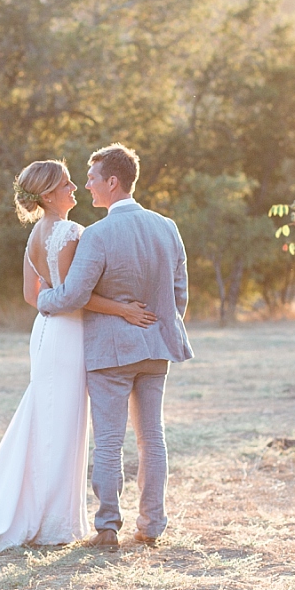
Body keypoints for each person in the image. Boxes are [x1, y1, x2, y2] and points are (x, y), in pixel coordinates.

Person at [0, 160, 156, 559]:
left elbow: (31, 296)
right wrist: (124, 310)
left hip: (45, 331)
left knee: (47, 417)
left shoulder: (35, 234)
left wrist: (52, 307)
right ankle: (52, 521)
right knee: (62, 423)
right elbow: (78, 294)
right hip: (69, 334)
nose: (75, 186)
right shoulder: (73, 232)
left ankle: (46, 512)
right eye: (66, 183)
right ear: (49, 194)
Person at [36, 143, 193, 549]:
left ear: (112, 181)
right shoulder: (167, 227)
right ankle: (152, 524)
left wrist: (43, 300)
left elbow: (72, 295)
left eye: (91, 178)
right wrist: (157, 325)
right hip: (157, 348)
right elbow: (180, 295)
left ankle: (107, 527)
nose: (86, 185)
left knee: (108, 441)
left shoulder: (99, 234)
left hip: (110, 352)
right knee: (152, 438)